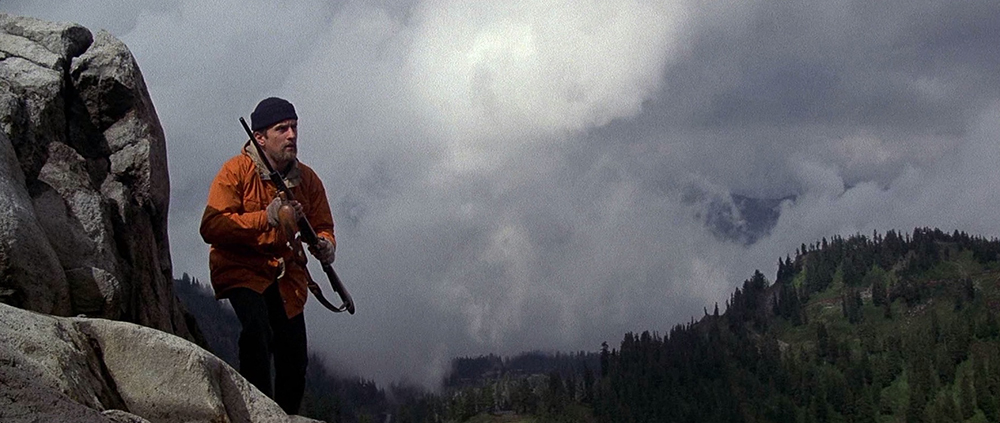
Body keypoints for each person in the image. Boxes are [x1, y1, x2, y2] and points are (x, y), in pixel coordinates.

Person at [200, 97, 336, 414]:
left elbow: (323, 225)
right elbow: (211, 226)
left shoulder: (307, 180)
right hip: (241, 269)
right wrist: (266, 218)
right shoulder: (235, 171)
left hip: (287, 276)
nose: (292, 135)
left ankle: (286, 416)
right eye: (282, 129)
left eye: (294, 127)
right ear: (260, 138)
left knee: (295, 357)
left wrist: (325, 244)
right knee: (256, 334)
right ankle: (257, 412)